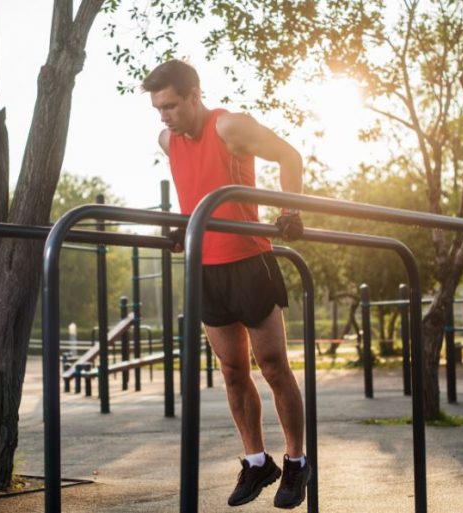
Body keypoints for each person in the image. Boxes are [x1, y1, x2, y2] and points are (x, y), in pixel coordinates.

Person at [142, 59, 309, 509]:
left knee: (273, 366)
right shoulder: (166, 140)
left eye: (171, 106)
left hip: (249, 261)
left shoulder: (230, 126)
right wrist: (183, 227)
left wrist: (290, 212)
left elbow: (288, 156)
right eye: (158, 108)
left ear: (195, 95)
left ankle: (296, 463)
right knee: (233, 372)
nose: (165, 116)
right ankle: (257, 462)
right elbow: (195, 190)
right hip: (207, 269)